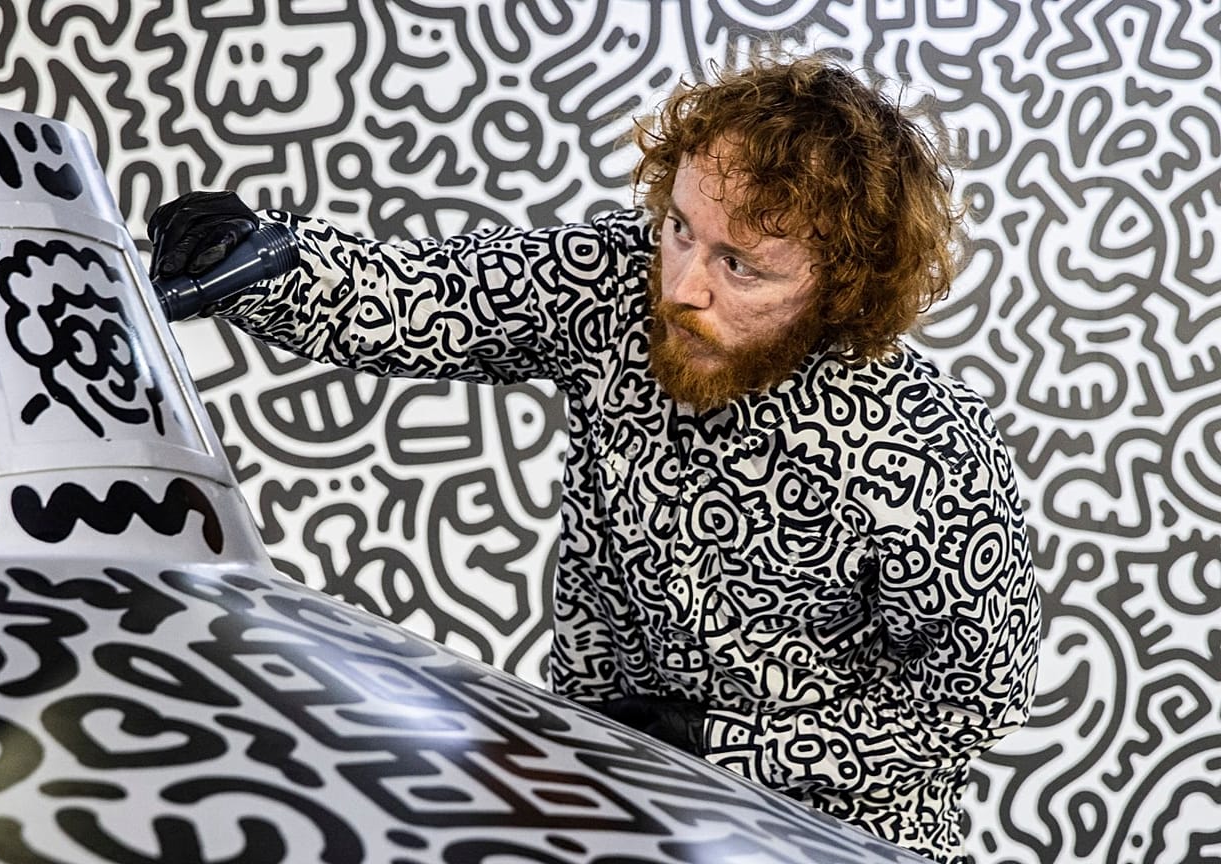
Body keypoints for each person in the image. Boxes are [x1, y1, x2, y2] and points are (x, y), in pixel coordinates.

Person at [146, 54, 1041, 864]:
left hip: (829, 838)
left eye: (742, 266)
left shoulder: (926, 443)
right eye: (680, 228)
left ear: (843, 287)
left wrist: (726, 743)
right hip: (610, 791)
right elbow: (426, 301)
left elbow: (975, 701)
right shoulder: (615, 281)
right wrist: (269, 260)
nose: (683, 287)